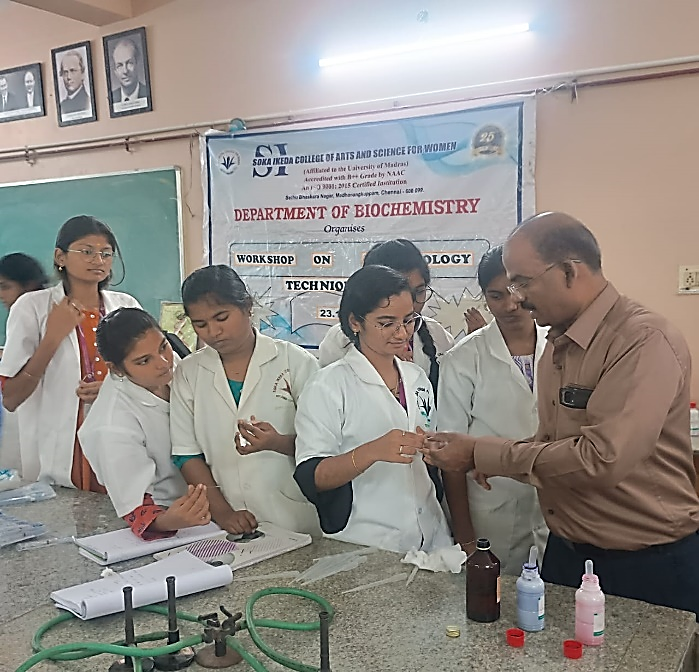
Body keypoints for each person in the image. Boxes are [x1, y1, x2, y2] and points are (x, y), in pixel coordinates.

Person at [421, 212, 699, 616]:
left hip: (644, 562)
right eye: (505, 288)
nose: (516, 299)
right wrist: (488, 458)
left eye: (522, 283)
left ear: (569, 271)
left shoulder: (641, 341)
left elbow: (600, 459)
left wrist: (484, 452)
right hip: (566, 553)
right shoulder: (559, 342)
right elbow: (554, 444)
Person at [294, 265, 453, 553]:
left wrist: (434, 450)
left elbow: (427, 450)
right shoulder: (327, 386)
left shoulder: (416, 378)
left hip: (432, 533)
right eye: (386, 323)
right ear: (355, 322)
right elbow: (312, 476)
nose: (402, 333)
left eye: (408, 320)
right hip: (366, 541)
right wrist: (372, 451)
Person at [170, 265, 320, 535]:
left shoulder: (295, 362)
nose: (213, 331)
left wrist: (277, 442)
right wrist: (224, 513)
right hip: (225, 521)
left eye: (221, 317)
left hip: (294, 516)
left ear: (247, 306)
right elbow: (187, 454)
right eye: (200, 324)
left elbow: (323, 446)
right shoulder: (188, 372)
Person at [0, 216, 140, 488]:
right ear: (60, 257)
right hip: (61, 454)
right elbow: (11, 397)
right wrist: (52, 337)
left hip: (120, 441)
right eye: (86, 251)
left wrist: (113, 387)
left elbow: (153, 375)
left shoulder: (126, 306)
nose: (98, 260)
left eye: (106, 253)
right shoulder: (32, 307)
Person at [438, 246, 548, 573]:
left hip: (554, 506)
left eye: (516, 291)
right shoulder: (462, 359)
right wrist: (466, 539)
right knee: (493, 594)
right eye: (496, 296)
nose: (510, 305)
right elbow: (449, 455)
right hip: (490, 511)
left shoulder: (561, 345)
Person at [79, 308, 210, 539]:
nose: (163, 363)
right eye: (144, 361)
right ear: (116, 368)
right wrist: (171, 520)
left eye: (163, 346)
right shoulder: (112, 425)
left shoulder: (170, 367)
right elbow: (137, 509)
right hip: (176, 513)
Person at [318, 239, 454, 393]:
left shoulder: (437, 334)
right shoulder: (339, 340)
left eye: (419, 291)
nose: (411, 302)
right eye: (386, 323)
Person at [0, 254, 49, 472]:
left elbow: (10, 396)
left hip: (41, 415)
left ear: (28, 284)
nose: (1, 295)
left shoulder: (26, 308)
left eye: (5, 286)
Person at [110, 37, 150, 105]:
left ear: (137, 64)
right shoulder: (112, 98)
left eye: (129, 63)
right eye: (119, 66)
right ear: (115, 71)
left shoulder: (147, 92)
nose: (125, 71)